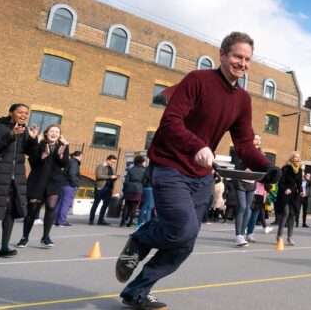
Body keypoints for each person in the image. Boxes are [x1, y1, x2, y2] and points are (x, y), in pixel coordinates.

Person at [115, 32, 280, 309]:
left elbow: (244, 144)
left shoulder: (242, 100)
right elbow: (170, 121)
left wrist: (266, 167)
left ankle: (136, 292)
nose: (242, 63)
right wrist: (197, 145)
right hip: (170, 165)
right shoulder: (197, 80)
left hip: (201, 175)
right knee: (182, 228)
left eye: (247, 59)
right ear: (223, 55)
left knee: (185, 242)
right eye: (238, 56)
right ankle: (139, 240)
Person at [0, 104, 39, 258]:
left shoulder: (24, 129)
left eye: (26, 113)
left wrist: (33, 140)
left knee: (10, 213)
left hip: (15, 178)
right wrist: (11, 135)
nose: (24, 115)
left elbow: (31, 154)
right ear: (11, 113)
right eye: (20, 112)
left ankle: (4, 248)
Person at [18, 124, 69, 248]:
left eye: (57, 132)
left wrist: (61, 154)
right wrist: (42, 156)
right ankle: (24, 237)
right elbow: (32, 162)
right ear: (46, 133)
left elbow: (64, 164)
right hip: (38, 181)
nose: (54, 133)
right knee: (32, 210)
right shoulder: (40, 144)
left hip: (54, 182)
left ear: (59, 135)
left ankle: (46, 237)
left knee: (51, 208)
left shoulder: (63, 146)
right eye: (52, 131)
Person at [276, 152, 303, 246]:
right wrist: (285, 189)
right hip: (285, 194)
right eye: (296, 157)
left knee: (292, 215)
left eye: (299, 158)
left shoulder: (299, 170)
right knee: (286, 213)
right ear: (292, 158)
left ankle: (290, 237)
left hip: (294, 195)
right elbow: (280, 182)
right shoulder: (286, 168)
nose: (298, 159)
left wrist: (301, 191)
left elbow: (299, 183)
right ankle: (279, 236)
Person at [55, 150, 82, 227]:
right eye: (81, 156)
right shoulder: (74, 163)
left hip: (63, 184)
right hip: (69, 185)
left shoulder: (69, 161)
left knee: (60, 203)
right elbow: (72, 174)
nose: (82, 158)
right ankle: (61, 221)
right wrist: (76, 184)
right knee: (66, 203)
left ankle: (56, 220)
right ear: (79, 156)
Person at [91, 155, 118, 226]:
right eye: (112, 162)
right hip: (101, 187)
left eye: (114, 162)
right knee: (96, 204)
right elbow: (98, 176)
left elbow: (112, 177)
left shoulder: (112, 168)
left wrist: (115, 177)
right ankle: (91, 220)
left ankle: (101, 220)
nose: (113, 163)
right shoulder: (101, 166)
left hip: (109, 188)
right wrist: (110, 177)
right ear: (108, 160)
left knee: (105, 205)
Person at [120, 156, 147, 228]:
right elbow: (144, 181)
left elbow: (126, 181)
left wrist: (124, 189)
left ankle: (122, 222)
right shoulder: (144, 170)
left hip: (129, 188)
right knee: (134, 207)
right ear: (142, 162)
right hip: (138, 189)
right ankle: (130, 222)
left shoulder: (130, 169)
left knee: (126, 205)